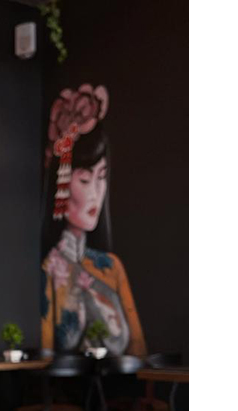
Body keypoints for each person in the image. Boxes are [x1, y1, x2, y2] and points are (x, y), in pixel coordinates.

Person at [41, 90, 146, 357]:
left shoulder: (111, 267)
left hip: (118, 381)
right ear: (62, 184)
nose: (96, 193)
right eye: (85, 180)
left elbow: (138, 348)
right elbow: (46, 353)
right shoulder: (50, 269)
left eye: (102, 177)